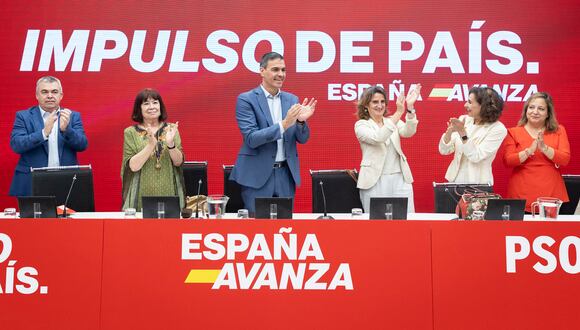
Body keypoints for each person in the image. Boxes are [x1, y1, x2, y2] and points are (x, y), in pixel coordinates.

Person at [229, 52, 316, 213]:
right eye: (275, 69)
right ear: (262, 71)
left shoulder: (292, 99)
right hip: (257, 176)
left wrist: (301, 122)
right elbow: (251, 138)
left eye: (283, 70)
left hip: (286, 175)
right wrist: (284, 124)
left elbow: (302, 139)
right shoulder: (246, 99)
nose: (281, 74)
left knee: (284, 229)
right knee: (257, 229)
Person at [9, 76, 88, 197]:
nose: (50, 96)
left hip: (66, 181)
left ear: (61, 95)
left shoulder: (72, 116)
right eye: (45, 92)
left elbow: (82, 145)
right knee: (33, 216)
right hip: (32, 182)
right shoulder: (23, 116)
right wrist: (43, 133)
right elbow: (17, 145)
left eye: (54, 92)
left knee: (67, 216)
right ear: (37, 95)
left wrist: (67, 130)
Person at [355, 84, 421, 213]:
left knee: (406, 221)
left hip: (400, 178)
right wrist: (398, 113)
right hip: (374, 181)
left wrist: (410, 107)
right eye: (375, 102)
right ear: (366, 106)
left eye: (382, 101)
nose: (380, 106)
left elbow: (409, 131)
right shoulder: (361, 125)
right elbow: (379, 137)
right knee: (377, 223)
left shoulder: (391, 121)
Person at [502, 92, 570, 212]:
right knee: (519, 231)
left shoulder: (559, 130)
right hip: (521, 193)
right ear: (526, 110)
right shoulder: (513, 132)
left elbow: (564, 159)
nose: (535, 112)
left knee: (550, 231)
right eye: (531, 107)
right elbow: (508, 161)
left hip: (552, 193)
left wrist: (544, 148)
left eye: (541, 109)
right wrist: (529, 151)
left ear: (548, 113)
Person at [121, 88, 185, 211]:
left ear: (160, 106)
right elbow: (133, 167)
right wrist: (150, 145)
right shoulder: (130, 132)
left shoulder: (171, 129)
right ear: (139, 109)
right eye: (146, 103)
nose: (152, 107)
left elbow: (178, 162)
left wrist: (171, 144)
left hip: (169, 190)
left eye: (155, 102)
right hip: (140, 194)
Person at [438, 87, 507, 184]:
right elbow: (444, 150)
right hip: (454, 182)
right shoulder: (464, 119)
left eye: (470, 102)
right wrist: (449, 132)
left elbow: (476, 156)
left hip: (478, 185)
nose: (465, 105)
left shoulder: (498, 129)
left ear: (483, 106)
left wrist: (462, 133)